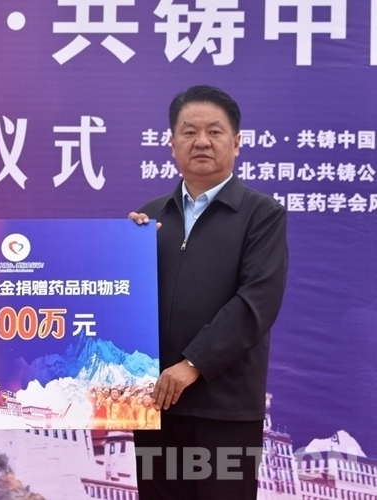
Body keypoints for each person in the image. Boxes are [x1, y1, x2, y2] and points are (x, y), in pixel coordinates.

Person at [129, 85, 288, 500]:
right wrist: (123, 253)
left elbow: (257, 302)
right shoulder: (149, 216)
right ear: (172, 143)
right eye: (189, 132)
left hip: (226, 409)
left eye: (215, 131)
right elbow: (121, 301)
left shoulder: (262, 214)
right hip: (157, 406)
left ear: (236, 142)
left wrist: (192, 364)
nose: (201, 141)